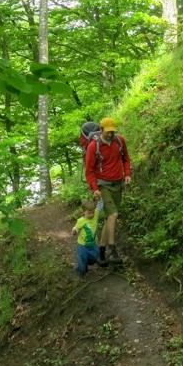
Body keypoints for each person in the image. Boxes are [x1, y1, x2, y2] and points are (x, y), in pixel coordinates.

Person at [84, 117, 131, 265]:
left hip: (117, 184)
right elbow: (89, 171)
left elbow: (126, 159)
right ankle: (113, 250)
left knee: (109, 219)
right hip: (103, 185)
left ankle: (101, 253)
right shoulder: (93, 146)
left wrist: (127, 174)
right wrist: (95, 188)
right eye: (108, 132)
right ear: (101, 130)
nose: (111, 134)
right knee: (113, 214)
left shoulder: (119, 141)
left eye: (113, 132)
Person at [72, 198, 101, 277]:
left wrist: (99, 198)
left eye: (92, 212)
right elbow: (77, 228)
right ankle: (81, 272)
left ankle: (86, 263)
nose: (91, 215)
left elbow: (100, 206)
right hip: (82, 245)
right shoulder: (81, 221)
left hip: (93, 244)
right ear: (84, 212)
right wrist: (74, 230)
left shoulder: (95, 215)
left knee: (95, 256)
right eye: (88, 213)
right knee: (82, 259)